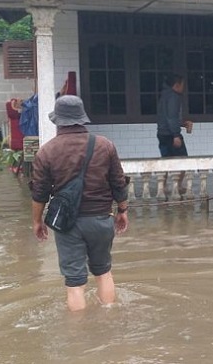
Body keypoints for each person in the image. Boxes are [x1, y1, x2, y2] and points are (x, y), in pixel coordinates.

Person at [30, 95, 129, 311]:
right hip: (102, 219)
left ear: (58, 122)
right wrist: (122, 210)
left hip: (68, 225)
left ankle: (78, 336)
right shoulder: (105, 146)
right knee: (103, 273)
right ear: (82, 119)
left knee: (75, 283)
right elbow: (118, 183)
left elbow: (40, 194)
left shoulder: (46, 152)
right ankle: (109, 318)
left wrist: (37, 221)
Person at [156, 74, 193, 158]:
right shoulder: (174, 97)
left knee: (167, 161)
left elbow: (166, 116)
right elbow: (172, 117)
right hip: (170, 135)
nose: (183, 88)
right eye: (182, 85)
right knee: (183, 161)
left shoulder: (163, 95)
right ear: (176, 85)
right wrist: (176, 135)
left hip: (161, 133)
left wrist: (182, 124)